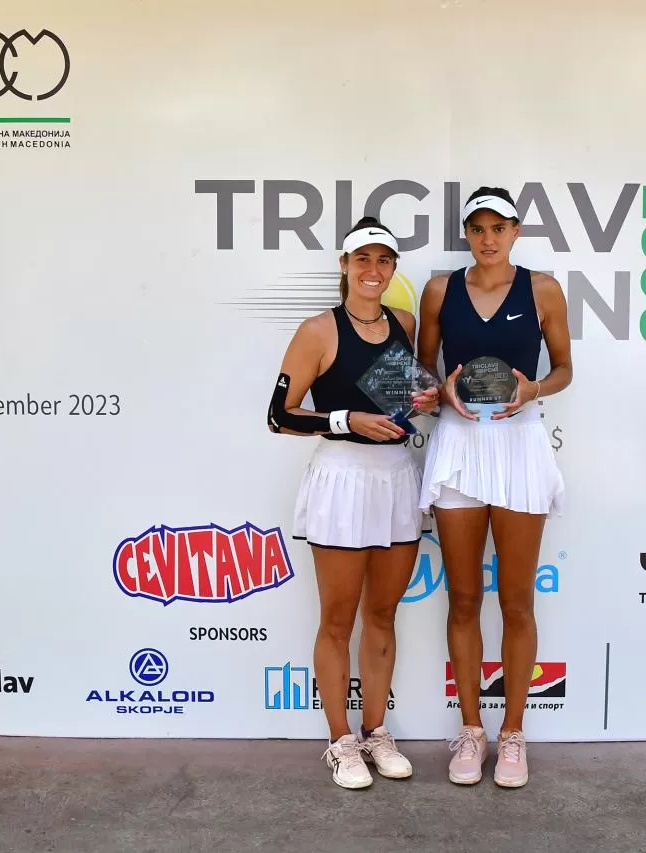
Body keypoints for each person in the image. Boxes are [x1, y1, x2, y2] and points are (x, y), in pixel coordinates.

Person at [267, 216, 436, 790]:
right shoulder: (317, 330)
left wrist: (425, 399)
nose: (373, 270)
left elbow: (413, 396)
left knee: (383, 615)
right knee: (337, 620)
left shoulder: (405, 323)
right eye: (362, 259)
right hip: (341, 479)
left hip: (397, 478)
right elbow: (279, 416)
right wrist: (346, 419)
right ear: (344, 265)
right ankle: (341, 742)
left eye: (384, 261)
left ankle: (375, 731)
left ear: (393, 269)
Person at [416, 187, 571, 788]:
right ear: (467, 233)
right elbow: (424, 371)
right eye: (477, 228)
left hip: (520, 445)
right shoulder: (439, 291)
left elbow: (564, 369)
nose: (488, 238)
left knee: (517, 601)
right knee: (462, 598)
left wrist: (532, 389)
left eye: (498, 227)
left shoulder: (543, 290)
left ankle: (513, 734)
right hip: (459, 444)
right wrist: (441, 392)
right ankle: (471, 729)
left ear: (515, 231)